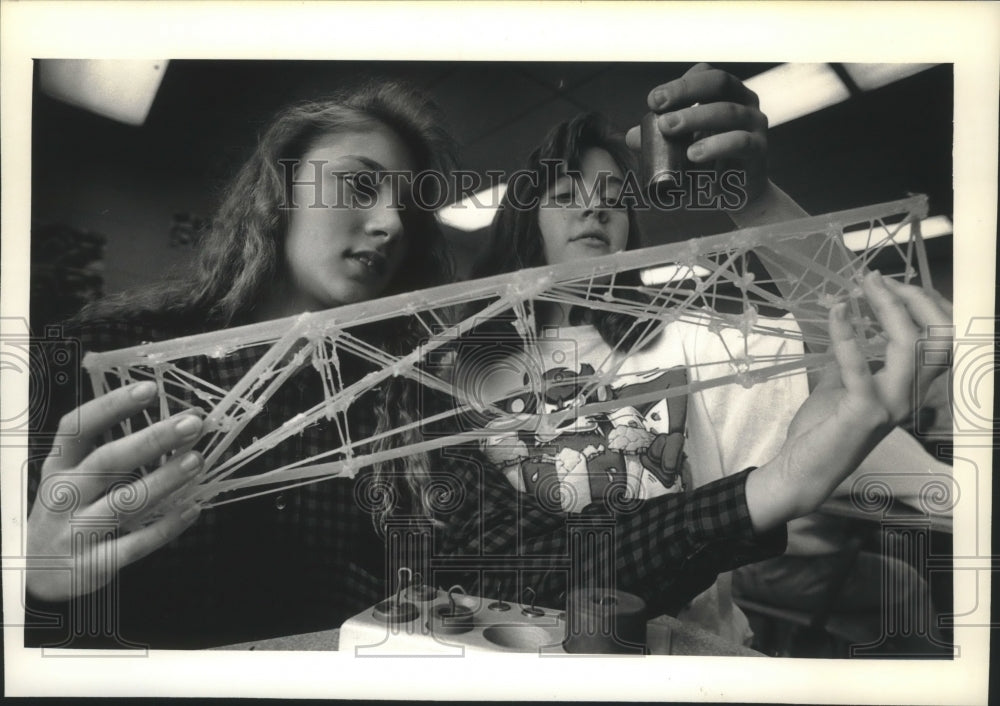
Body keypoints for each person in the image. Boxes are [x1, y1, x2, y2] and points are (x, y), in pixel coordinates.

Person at [462, 64, 953, 646]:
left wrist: (756, 199)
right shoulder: (465, 372)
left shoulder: (686, 339)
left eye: (613, 201)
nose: (594, 210)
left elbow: (847, 362)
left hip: (694, 658)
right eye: (567, 196)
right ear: (523, 218)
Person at [25, 80, 459, 649]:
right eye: (359, 185)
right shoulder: (94, 360)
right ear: (280, 189)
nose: (392, 223)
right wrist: (30, 581)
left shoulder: (401, 402)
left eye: (408, 208)